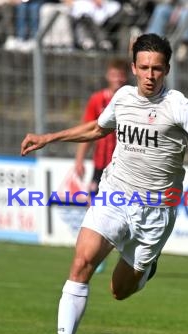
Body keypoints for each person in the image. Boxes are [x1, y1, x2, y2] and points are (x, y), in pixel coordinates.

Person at [20, 33, 188, 334]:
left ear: (167, 70)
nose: (150, 75)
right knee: (83, 260)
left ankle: (147, 268)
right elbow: (98, 129)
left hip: (156, 212)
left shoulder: (180, 107)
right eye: (144, 68)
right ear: (133, 68)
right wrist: (49, 138)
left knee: (119, 291)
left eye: (157, 69)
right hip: (115, 195)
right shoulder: (122, 98)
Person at [73, 57, 129, 273]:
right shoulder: (97, 100)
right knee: (94, 207)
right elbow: (88, 130)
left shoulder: (133, 99)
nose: (117, 78)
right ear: (108, 76)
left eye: (121, 74)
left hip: (124, 168)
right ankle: (96, 252)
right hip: (100, 165)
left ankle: (120, 251)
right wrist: (79, 160)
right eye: (114, 74)